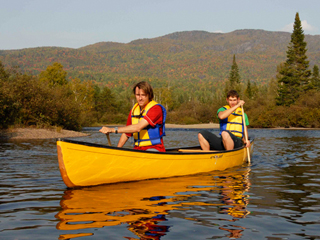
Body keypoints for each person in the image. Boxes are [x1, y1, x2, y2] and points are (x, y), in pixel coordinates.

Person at [99, 81, 167, 152]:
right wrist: (116, 151)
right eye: (138, 95)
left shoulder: (156, 109)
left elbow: (138, 127)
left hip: (154, 149)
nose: (140, 98)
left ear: (149, 95)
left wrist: (112, 130)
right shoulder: (134, 110)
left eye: (143, 95)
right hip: (137, 149)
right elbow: (126, 134)